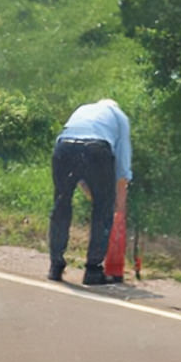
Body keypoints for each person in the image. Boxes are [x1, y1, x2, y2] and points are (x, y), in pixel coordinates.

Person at [48, 99, 132, 285]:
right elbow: (123, 171)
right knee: (103, 209)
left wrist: (92, 192)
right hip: (96, 149)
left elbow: (78, 169)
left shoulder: (83, 109)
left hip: (64, 147)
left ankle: (55, 265)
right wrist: (119, 209)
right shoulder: (119, 117)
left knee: (61, 204)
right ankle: (93, 270)